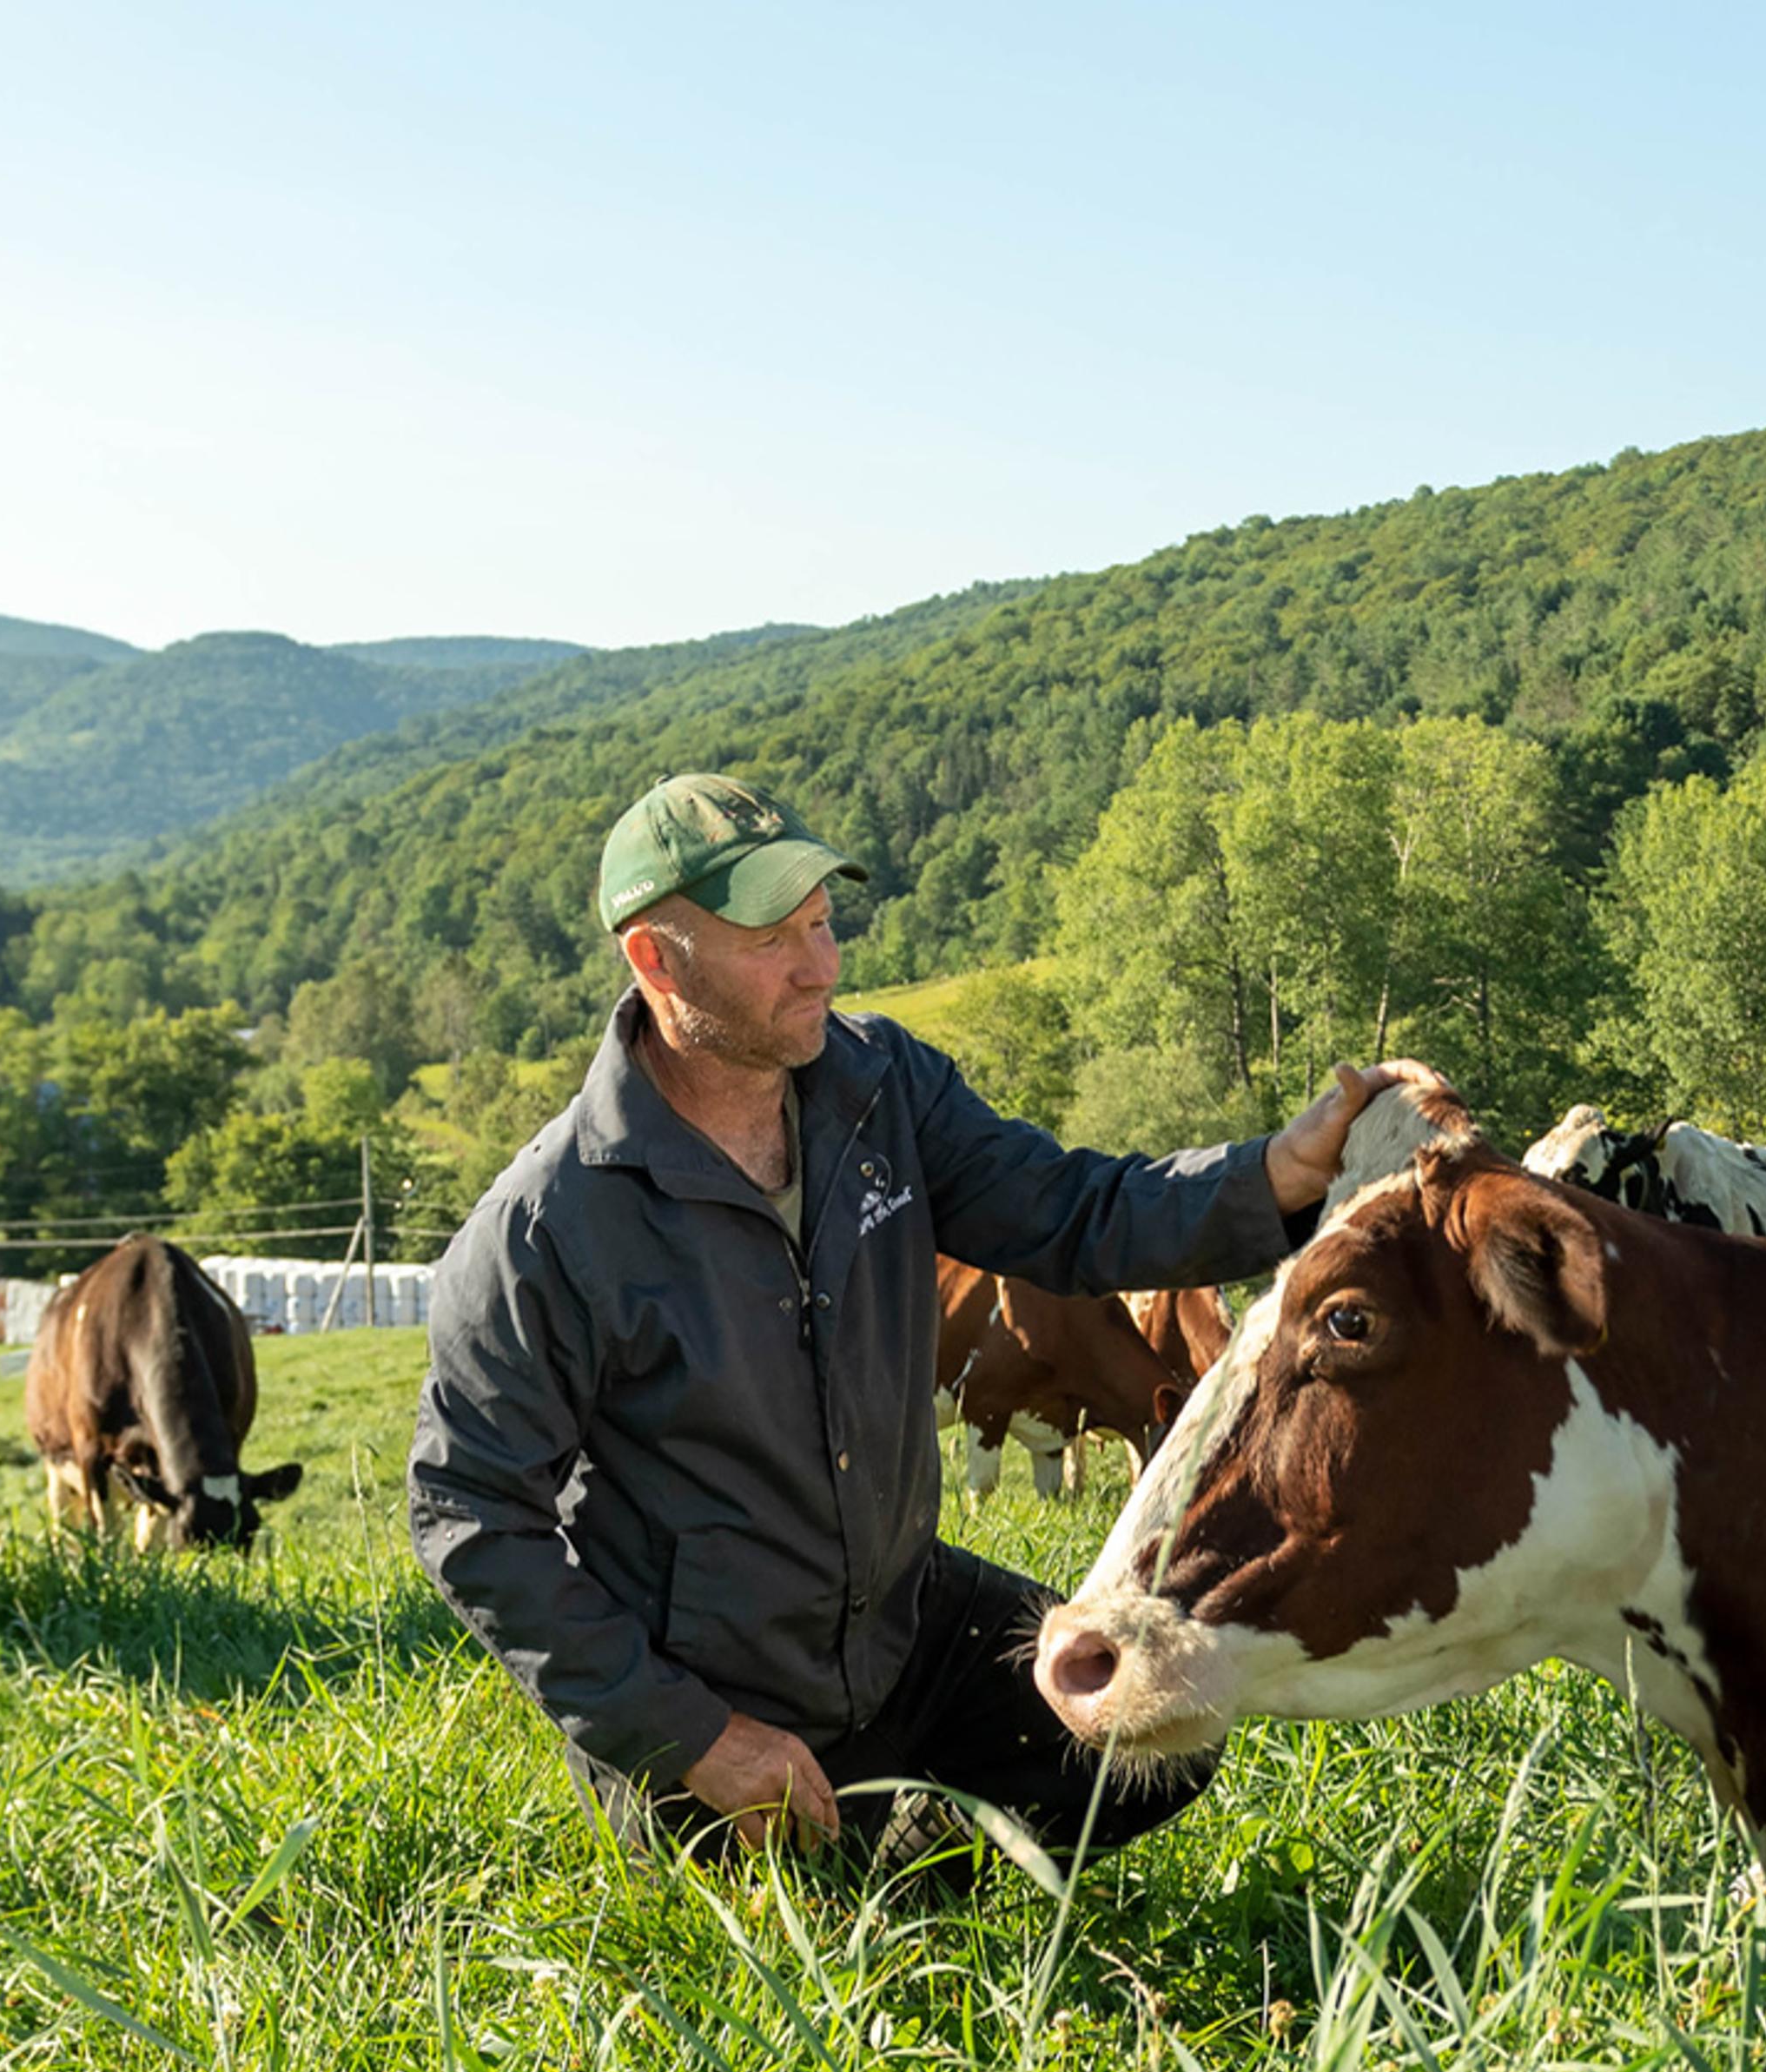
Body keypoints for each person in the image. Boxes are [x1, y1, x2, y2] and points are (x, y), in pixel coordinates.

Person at [407, 771, 1392, 1865]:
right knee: (789, 1942)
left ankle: (913, 1851)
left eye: (824, 922)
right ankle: (872, 1863)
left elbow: (1071, 1208)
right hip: (718, 1702)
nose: (821, 965)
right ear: (654, 957)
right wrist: (694, 1738)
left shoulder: (881, 1089)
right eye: (773, 938)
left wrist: (1273, 1176)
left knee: (1146, 1732)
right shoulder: (548, 1228)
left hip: (899, 1620)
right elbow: (468, 1509)